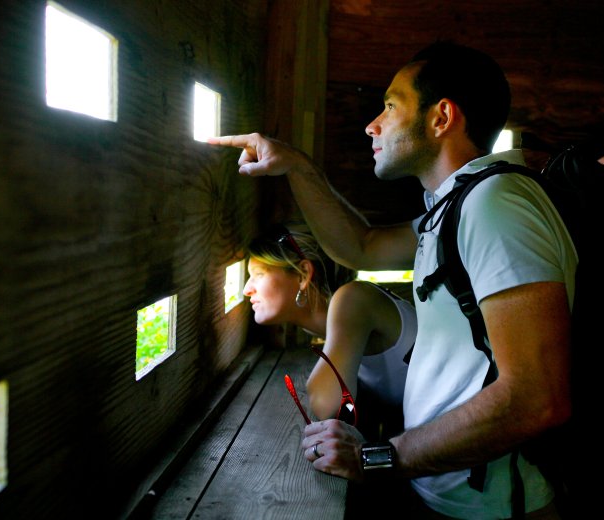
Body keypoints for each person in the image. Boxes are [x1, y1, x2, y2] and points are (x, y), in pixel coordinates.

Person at [210, 41, 576, 519]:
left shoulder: (495, 206)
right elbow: (359, 245)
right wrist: (297, 167)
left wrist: (381, 457)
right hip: (448, 492)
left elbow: (536, 398)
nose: (372, 124)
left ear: (441, 118)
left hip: (497, 508)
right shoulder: (455, 206)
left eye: (389, 106)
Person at [244, 223, 417, 439]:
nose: (246, 289)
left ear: (302, 275)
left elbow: (329, 403)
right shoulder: (327, 327)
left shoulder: (353, 299)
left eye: (258, 274)